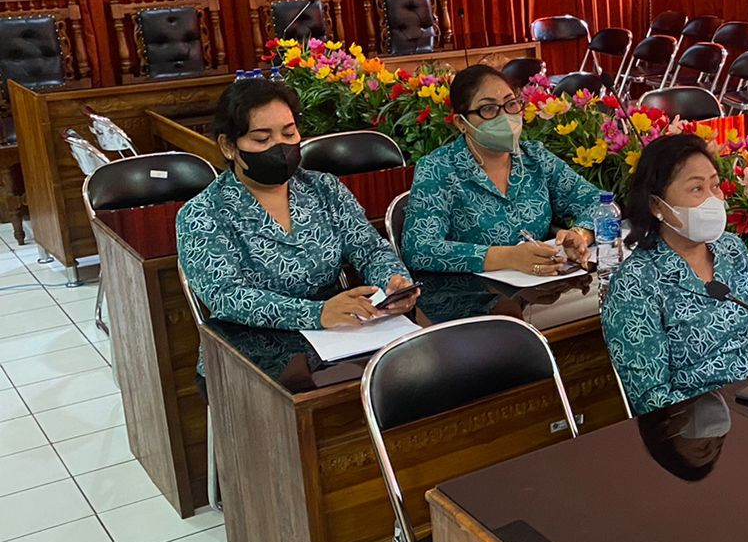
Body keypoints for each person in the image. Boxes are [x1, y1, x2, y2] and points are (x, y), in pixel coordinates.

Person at [177, 79, 414, 355]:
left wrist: (393, 283)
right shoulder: (203, 213)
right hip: (250, 354)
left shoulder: (325, 189)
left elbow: (370, 251)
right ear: (229, 146)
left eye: (288, 134)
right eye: (262, 139)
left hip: (342, 338)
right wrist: (316, 313)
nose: (279, 147)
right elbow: (227, 297)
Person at [601, 134, 748, 414]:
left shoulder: (732, 249)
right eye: (696, 189)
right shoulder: (635, 283)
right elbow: (651, 398)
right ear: (657, 205)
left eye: (715, 186)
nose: (713, 200)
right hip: (699, 424)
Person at [402, 64, 602, 274]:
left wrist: (581, 235)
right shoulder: (438, 169)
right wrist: (507, 257)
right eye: (488, 109)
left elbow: (599, 202)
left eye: (511, 104)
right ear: (461, 123)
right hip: (472, 297)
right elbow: (419, 248)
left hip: (542, 290)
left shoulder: (535, 158)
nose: (505, 116)